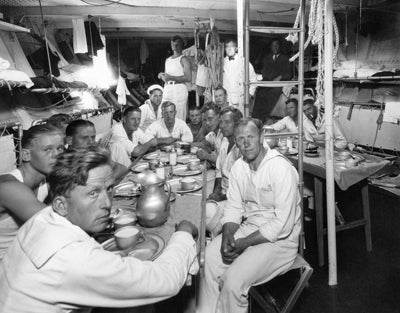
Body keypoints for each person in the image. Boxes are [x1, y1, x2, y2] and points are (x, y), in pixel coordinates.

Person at [0, 146, 199, 312]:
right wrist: (183, 233)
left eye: (109, 188)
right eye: (93, 193)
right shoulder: (74, 258)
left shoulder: (41, 219)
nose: (106, 203)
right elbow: (164, 280)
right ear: (61, 205)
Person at [197, 118, 301, 313]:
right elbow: (234, 208)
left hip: (281, 241)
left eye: (251, 137)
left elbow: (282, 225)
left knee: (233, 281)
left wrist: (243, 243)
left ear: (262, 137)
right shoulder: (239, 167)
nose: (246, 143)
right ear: (235, 142)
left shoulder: (280, 168)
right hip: (250, 229)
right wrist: (227, 235)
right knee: (208, 258)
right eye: (241, 139)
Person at [0, 124, 64, 261]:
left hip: (22, 260)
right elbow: (55, 223)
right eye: (48, 149)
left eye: (60, 148)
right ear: (26, 155)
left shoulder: (47, 182)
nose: (57, 155)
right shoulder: (9, 187)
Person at [205, 107, 243, 237]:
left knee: (206, 214)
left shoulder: (242, 148)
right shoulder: (225, 142)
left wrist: (220, 198)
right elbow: (219, 172)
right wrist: (214, 194)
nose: (222, 126)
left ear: (237, 124)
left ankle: (219, 238)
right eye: (221, 122)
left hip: (237, 201)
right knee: (202, 204)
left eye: (227, 122)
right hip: (223, 194)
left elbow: (242, 190)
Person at [253, 38, 293, 121]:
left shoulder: (284, 58)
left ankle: (263, 118)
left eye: (276, 45)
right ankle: (255, 118)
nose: (275, 47)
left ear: (279, 47)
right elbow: (264, 71)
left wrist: (280, 76)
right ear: (270, 47)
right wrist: (267, 78)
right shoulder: (267, 58)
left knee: (272, 94)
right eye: (273, 46)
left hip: (278, 83)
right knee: (260, 93)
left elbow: (289, 73)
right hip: (267, 81)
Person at [158, 36, 192, 121]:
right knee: (164, 111)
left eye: (177, 44)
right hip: (168, 88)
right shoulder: (168, 60)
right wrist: (162, 76)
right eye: (173, 44)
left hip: (179, 88)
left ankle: (178, 133)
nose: (175, 46)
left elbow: (188, 78)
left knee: (179, 113)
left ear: (181, 45)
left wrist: (170, 77)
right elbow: (167, 77)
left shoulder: (184, 59)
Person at [222, 38, 257, 113]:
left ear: (236, 48)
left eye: (232, 46)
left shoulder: (243, 61)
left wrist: (249, 95)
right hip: (226, 100)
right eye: (227, 47)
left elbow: (253, 79)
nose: (229, 49)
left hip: (239, 100)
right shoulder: (222, 62)